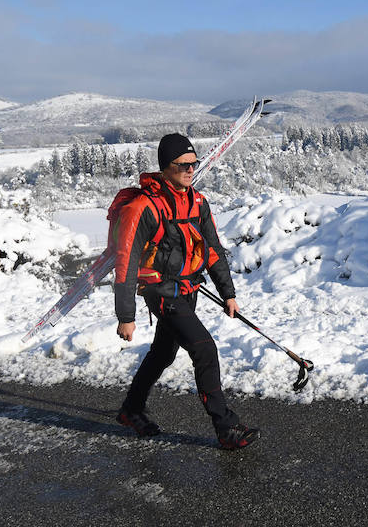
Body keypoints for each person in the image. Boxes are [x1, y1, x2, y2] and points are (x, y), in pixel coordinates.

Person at [111, 133, 258, 449]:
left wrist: (228, 293)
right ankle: (226, 427)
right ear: (165, 167)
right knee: (204, 348)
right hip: (160, 292)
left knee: (163, 353)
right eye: (182, 165)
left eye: (194, 164)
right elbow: (126, 263)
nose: (190, 170)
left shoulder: (198, 202)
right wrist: (126, 316)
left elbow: (213, 250)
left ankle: (131, 409)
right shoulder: (143, 207)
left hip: (189, 289)